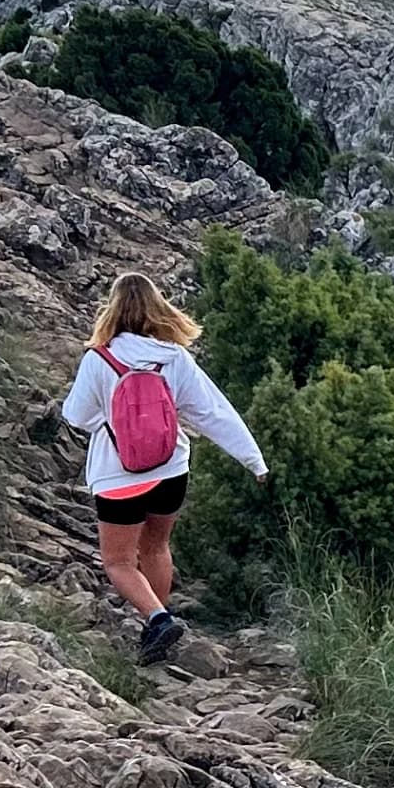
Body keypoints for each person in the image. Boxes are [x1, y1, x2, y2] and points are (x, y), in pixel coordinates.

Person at [58, 272, 266, 663]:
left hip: (119, 477)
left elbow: (76, 415)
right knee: (156, 546)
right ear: (158, 308)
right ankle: (156, 628)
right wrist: (254, 460)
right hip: (171, 471)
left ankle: (157, 618)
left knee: (118, 562)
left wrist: (110, 419)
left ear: (112, 309)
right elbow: (212, 413)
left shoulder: (98, 359)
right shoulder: (174, 357)